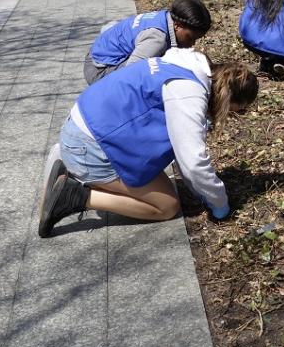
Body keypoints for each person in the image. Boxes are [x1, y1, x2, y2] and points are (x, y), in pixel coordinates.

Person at [37, 49, 259, 237]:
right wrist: (220, 205)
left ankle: (71, 168)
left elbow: (183, 157)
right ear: (227, 99)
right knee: (166, 206)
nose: (229, 116)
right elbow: (191, 163)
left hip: (83, 127)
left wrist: (204, 192)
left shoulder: (183, 65)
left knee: (164, 190)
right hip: (88, 147)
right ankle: (74, 195)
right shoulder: (188, 94)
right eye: (233, 111)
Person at [84, 0, 212, 85]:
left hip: (97, 53)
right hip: (99, 71)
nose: (192, 44)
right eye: (190, 38)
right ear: (177, 25)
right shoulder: (157, 39)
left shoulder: (164, 16)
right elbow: (129, 76)